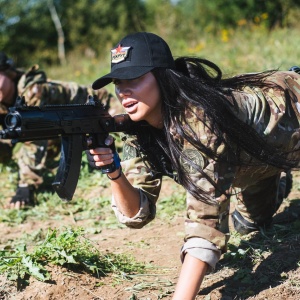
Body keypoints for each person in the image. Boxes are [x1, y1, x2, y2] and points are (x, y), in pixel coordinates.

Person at [86, 32, 300, 299]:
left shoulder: (199, 121)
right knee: (248, 224)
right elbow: (137, 214)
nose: (123, 91)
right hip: (252, 163)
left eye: (134, 79)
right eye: (118, 82)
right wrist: (114, 172)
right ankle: (276, 178)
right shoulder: (137, 130)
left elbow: (205, 227)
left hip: (293, 112)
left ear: (163, 78)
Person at [0, 51, 114, 209]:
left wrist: (25, 186)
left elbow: (34, 138)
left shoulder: (32, 90)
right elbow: (7, 141)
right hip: (65, 125)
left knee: (130, 133)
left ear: (9, 73)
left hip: (101, 106)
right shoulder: (2, 100)